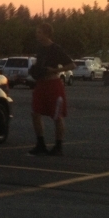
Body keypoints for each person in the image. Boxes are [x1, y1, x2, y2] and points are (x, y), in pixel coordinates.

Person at [29, 23, 75, 156]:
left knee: (56, 115)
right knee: (35, 112)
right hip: (41, 84)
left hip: (53, 84)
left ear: (46, 33)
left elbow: (72, 65)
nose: (37, 34)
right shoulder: (40, 48)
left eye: (39, 32)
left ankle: (58, 145)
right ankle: (40, 144)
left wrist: (55, 70)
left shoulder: (55, 48)